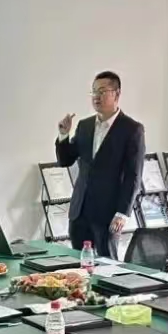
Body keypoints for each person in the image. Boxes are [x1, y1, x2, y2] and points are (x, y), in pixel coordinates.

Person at [55, 71, 145, 259]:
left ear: (117, 94)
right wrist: (63, 135)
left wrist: (123, 213)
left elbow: (133, 176)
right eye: (94, 91)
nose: (96, 96)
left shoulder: (132, 129)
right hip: (80, 211)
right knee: (78, 263)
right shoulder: (84, 125)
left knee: (108, 264)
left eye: (102, 91)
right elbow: (65, 160)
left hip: (108, 213)